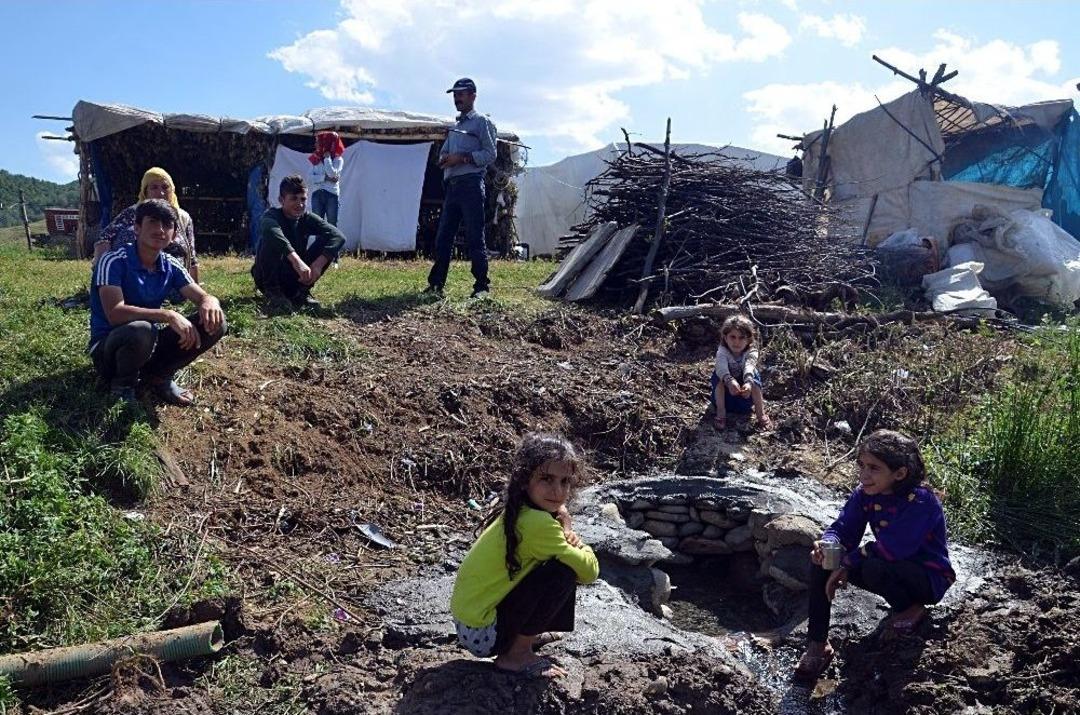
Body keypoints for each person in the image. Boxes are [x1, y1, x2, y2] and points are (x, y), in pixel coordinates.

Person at [793, 429, 956, 683]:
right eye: (862, 465)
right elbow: (844, 528)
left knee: (872, 566)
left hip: (926, 577)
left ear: (899, 473)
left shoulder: (923, 502)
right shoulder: (865, 494)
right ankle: (817, 644)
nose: (864, 474)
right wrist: (829, 544)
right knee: (825, 558)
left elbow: (894, 548)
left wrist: (848, 563)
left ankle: (909, 609)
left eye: (874, 468)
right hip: (887, 564)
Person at [450, 432, 599, 679]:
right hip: (483, 634)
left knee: (558, 559)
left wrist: (565, 531)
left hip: (471, 624)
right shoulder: (538, 523)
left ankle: (527, 636)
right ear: (524, 479)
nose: (557, 490)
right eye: (546, 479)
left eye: (565, 481)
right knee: (562, 571)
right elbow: (590, 572)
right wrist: (573, 537)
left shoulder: (519, 510)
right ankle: (515, 655)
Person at [90, 199, 226, 406]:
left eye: (167, 225)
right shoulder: (113, 260)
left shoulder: (170, 264)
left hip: (147, 344)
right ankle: (123, 384)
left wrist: (210, 301)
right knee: (141, 329)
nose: (160, 229)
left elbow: (202, 296)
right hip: (110, 349)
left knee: (216, 322)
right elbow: (115, 314)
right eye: (153, 221)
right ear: (137, 228)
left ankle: (159, 376)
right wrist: (167, 315)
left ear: (173, 235)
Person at [426, 77, 498, 299]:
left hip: (471, 184)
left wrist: (463, 158)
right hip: (453, 186)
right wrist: (444, 159)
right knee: (443, 237)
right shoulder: (455, 127)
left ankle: (481, 286)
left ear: (473, 96)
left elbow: (490, 154)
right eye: (455, 95)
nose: (457, 98)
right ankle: (436, 285)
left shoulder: (481, 122)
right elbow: (443, 153)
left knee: (475, 236)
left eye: (461, 94)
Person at [251, 174, 346, 312]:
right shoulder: (272, 216)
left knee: (328, 239)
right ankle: (273, 294)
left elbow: (338, 236)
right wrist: (296, 260)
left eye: (303, 199)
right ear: (281, 200)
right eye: (294, 199)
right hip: (270, 277)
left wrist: (318, 264)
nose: (300, 204)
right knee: (270, 237)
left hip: (297, 277)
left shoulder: (306, 218)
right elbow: (269, 229)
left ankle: (301, 293)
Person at [94, 167, 200, 283]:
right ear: (145, 191)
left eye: (165, 187)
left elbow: (191, 255)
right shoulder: (133, 213)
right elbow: (104, 238)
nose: (161, 193)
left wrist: (194, 287)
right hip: (134, 278)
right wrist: (102, 275)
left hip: (170, 279)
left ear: (172, 191)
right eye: (154, 187)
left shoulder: (182, 217)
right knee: (128, 233)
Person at [711, 314, 771, 429]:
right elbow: (721, 367)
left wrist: (748, 383)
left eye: (741, 337)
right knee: (718, 375)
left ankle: (760, 413)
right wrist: (729, 381)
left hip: (744, 398)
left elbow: (750, 365)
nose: (736, 342)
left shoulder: (752, 351)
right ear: (725, 337)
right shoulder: (722, 351)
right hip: (725, 398)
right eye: (732, 337)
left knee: (755, 376)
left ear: (748, 339)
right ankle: (721, 413)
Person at [309, 131, 345, 226]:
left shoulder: (338, 160)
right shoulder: (315, 158)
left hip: (331, 194)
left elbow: (332, 174)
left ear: (326, 143)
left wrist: (327, 158)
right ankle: (319, 241)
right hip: (317, 193)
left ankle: (331, 241)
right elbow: (310, 178)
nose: (315, 144)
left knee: (332, 224)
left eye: (318, 142)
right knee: (317, 224)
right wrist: (325, 178)